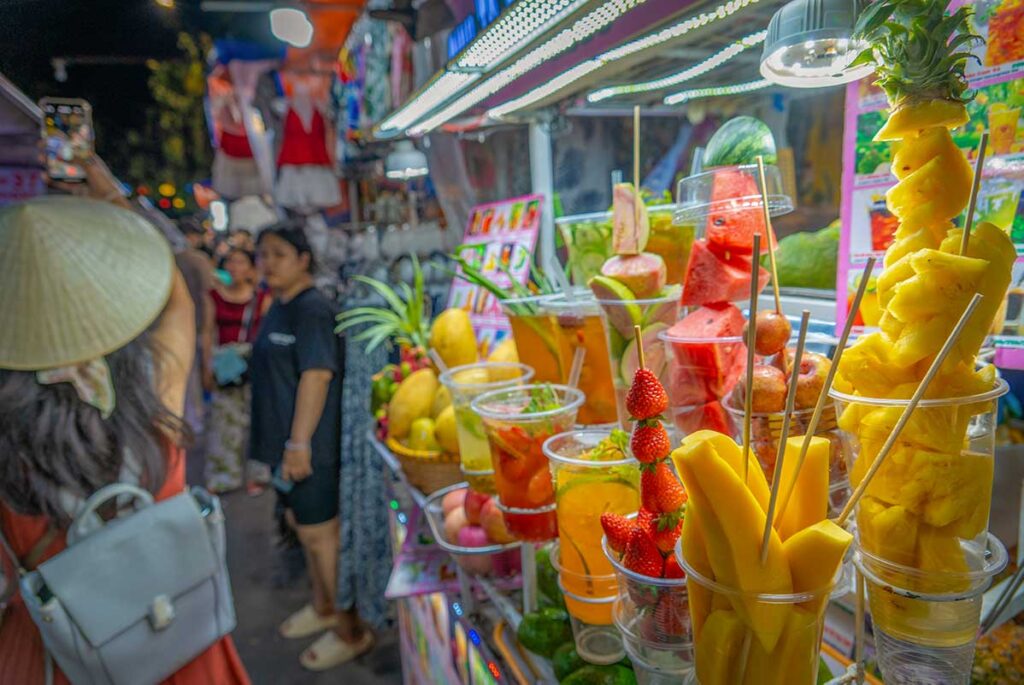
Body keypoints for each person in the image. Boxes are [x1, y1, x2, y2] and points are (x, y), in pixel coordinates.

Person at [0, 197, 250, 685]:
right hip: (185, 648)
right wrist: (103, 197)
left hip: (65, 662)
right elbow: (174, 295)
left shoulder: (9, 458)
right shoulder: (154, 412)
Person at [250, 221, 371, 670]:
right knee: (304, 529)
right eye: (264, 255)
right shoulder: (277, 305)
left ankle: (351, 630)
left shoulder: (313, 309)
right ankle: (323, 608)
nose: (268, 264)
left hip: (310, 447)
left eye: (279, 254)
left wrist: (299, 444)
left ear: (304, 259)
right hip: (285, 445)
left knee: (323, 539)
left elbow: (317, 375)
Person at [203, 247, 272, 494]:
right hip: (223, 364)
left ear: (251, 268)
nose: (234, 267)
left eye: (240, 262)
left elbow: (266, 333)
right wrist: (206, 366)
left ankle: (259, 474)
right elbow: (207, 333)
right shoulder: (213, 296)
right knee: (223, 422)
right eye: (230, 262)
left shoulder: (261, 298)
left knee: (258, 419)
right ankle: (223, 476)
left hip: (253, 364)